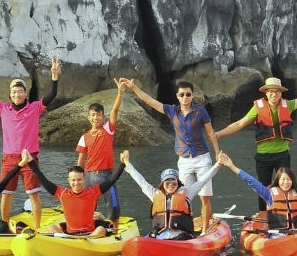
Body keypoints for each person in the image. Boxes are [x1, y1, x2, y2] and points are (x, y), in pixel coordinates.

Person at [213, 62, 297, 209]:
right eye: (271, 91)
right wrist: (219, 133)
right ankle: (264, 217)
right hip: (263, 156)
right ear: (266, 92)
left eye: (277, 91)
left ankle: (287, 212)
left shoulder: (288, 106)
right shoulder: (257, 108)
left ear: (281, 93)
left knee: (286, 186)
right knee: (263, 189)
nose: (274, 94)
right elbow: (239, 124)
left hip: (282, 155)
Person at [0, 57, 61, 229]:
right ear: (10, 95)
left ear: (26, 93)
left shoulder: (34, 108)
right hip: (9, 159)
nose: (17, 95)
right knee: (6, 194)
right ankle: (5, 227)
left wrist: (54, 77)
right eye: (14, 92)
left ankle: (37, 228)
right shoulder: (3, 108)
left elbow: (51, 96)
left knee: (33, 195)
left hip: (29, 158)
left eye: (20, 91)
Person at [120, 77, 220, 232]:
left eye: (188, 94)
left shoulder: (200, 111)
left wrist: (217, 154)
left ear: (193, 95)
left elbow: (211, 133)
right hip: (184, 160)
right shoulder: (172, 111)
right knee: (183, 198)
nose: (185, 97)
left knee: (204, 197)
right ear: (177, 96)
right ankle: (187, 228)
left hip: (202, 158)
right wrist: (133, 88)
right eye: (182, 95)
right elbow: (150, 101)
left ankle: (205, 230)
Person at [217, 151, 297, 231]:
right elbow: (250, 180)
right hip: (277, 234)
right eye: (283, 180)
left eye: (289, 179)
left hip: (296, 232)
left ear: (293, 181)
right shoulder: (268, 194)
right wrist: (231, 166)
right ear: (278, 180)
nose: (286, 182)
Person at [121, 150, 222, 239]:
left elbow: (203, 180)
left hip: (181, 236)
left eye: (173, 182)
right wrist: (127, 163)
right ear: (162, 184)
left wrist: (218, 164)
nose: (170, 185)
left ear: (177, 183)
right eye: (167, 182)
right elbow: (140, 181)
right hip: (160, 235)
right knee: (142, 239)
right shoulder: (154, 194)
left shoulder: (187, 193)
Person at [22, 149, 124, 236]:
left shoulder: (93, 191)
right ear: (69, 181)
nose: (76, 183)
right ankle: (68, 242)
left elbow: (111, 180)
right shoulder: (62, 193)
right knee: (52, 228)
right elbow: (43, 180)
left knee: (101, 229)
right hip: (69, 236)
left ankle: (86, 243)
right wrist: (31, 162)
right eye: (73, 180)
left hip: (90, 235)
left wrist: (123, 164)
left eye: (79, 180)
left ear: (84, 179)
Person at [75, 81, 125, 221]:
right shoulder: (84, 137)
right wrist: (78, 177)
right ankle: (88, 229)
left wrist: (120, 93)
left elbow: (114, 110)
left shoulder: (108, 129)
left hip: (106, 175)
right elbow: (81, 158)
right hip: (88, 176)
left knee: (113, 205)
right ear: (88, 117)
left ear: (103, 117)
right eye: (93, 115)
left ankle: (114, 231)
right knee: (88, 207)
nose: (96, 117)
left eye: (98, 115)